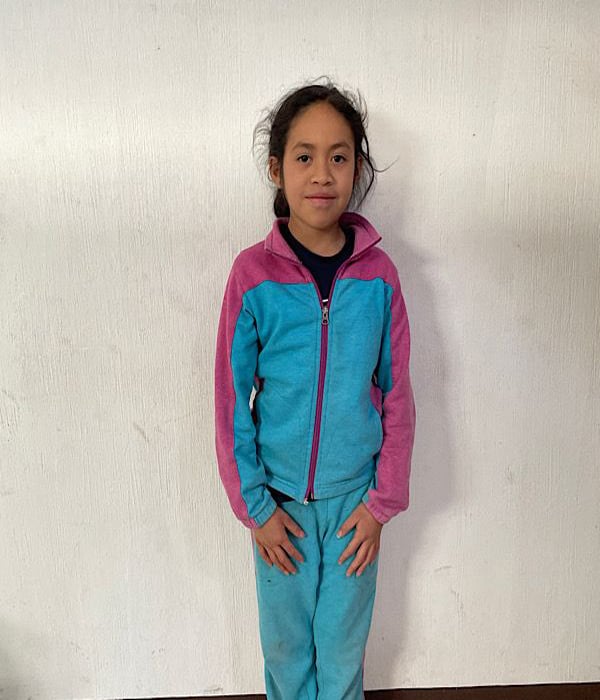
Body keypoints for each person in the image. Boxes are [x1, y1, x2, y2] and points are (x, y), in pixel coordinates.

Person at [214, 78, 416, 700]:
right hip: (280, 509)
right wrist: (255, 508)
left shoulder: (379, 277)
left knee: (342, 649)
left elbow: (399, 395)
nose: (322, 174)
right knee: (286, 651)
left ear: (357, 168)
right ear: (277, 169)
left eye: (339, 157)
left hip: (355, 507)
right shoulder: (251, 277)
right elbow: (230, 402)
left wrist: (381, 504)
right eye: (304, 157)